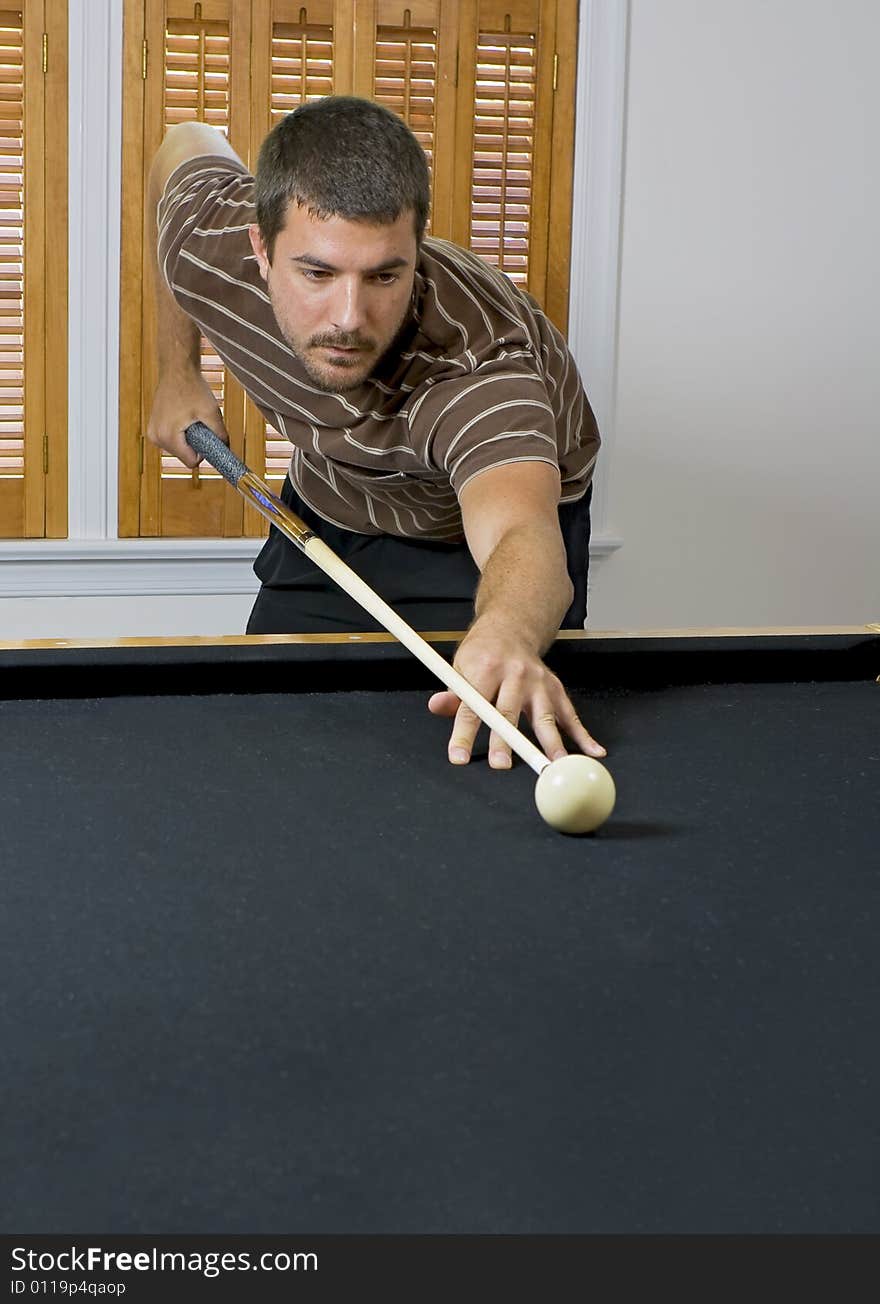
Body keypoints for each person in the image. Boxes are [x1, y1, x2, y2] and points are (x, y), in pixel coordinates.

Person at [147, 96, 606, 769]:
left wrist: (509, 627)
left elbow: (521, 535)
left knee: (478, 745)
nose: (349, 318)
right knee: (265, 745)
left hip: (465, 544)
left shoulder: (474, 365)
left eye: (385, 275)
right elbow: (179, 143)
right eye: (318, 273)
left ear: (416, 252)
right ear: (260, 248)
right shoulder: (210, 244)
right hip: (329, 503)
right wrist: (176, 371)